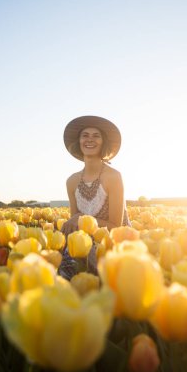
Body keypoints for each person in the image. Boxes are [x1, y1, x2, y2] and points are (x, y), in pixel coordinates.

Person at [59, 115, 130, 279]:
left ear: (103, 142)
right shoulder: (71, 181)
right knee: (67, 267)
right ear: (79, 141)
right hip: (84, 242)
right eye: (85, 135)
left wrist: (82, 218)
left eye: (96, 135)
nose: (90, 140)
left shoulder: (114, 177)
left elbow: (116, 227)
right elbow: (74, 226)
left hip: (112, 241)